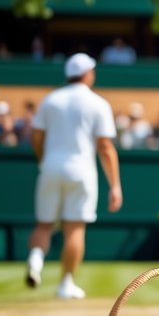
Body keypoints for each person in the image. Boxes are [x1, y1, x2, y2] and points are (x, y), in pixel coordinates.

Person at [25, 54, 123, 298]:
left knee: (44, 225)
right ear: (88, 73)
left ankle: (35, 260)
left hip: (50, 168)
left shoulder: (50, 100)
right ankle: (66, 283)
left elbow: (36, 137)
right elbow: (106, 147)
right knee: (74, 228)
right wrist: (115, 185)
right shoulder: (98, 103)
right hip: (81, 171)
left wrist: (43, 160)